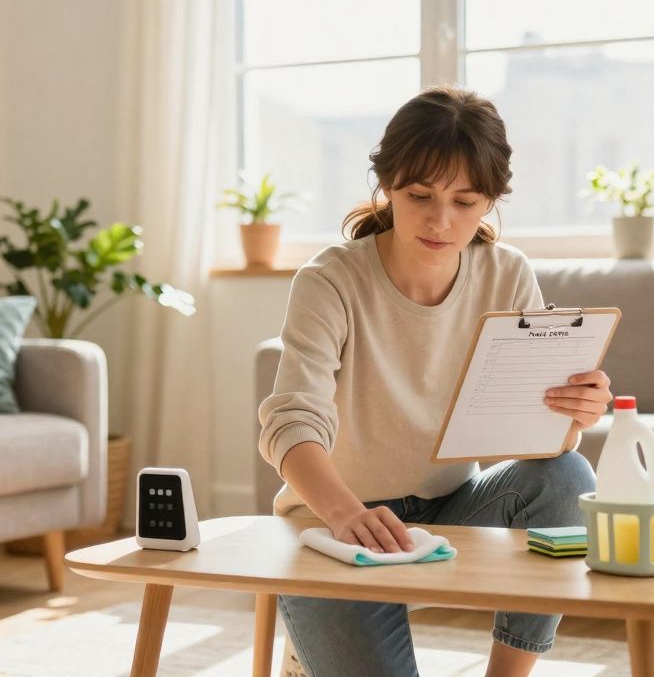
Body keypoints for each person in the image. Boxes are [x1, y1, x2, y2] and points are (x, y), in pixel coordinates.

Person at [257, 85, 612, 677]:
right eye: (419, 195)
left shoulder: (507, 273)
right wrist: (345, 514)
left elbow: (534, 446)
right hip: (334, 528)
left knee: (567, 474)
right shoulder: (330, 280)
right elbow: (291, 423)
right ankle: (308, 645)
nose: (441, 220)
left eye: (466, 201)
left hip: (452, 512)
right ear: (387, 185)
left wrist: (570, 415)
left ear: (491, 202)